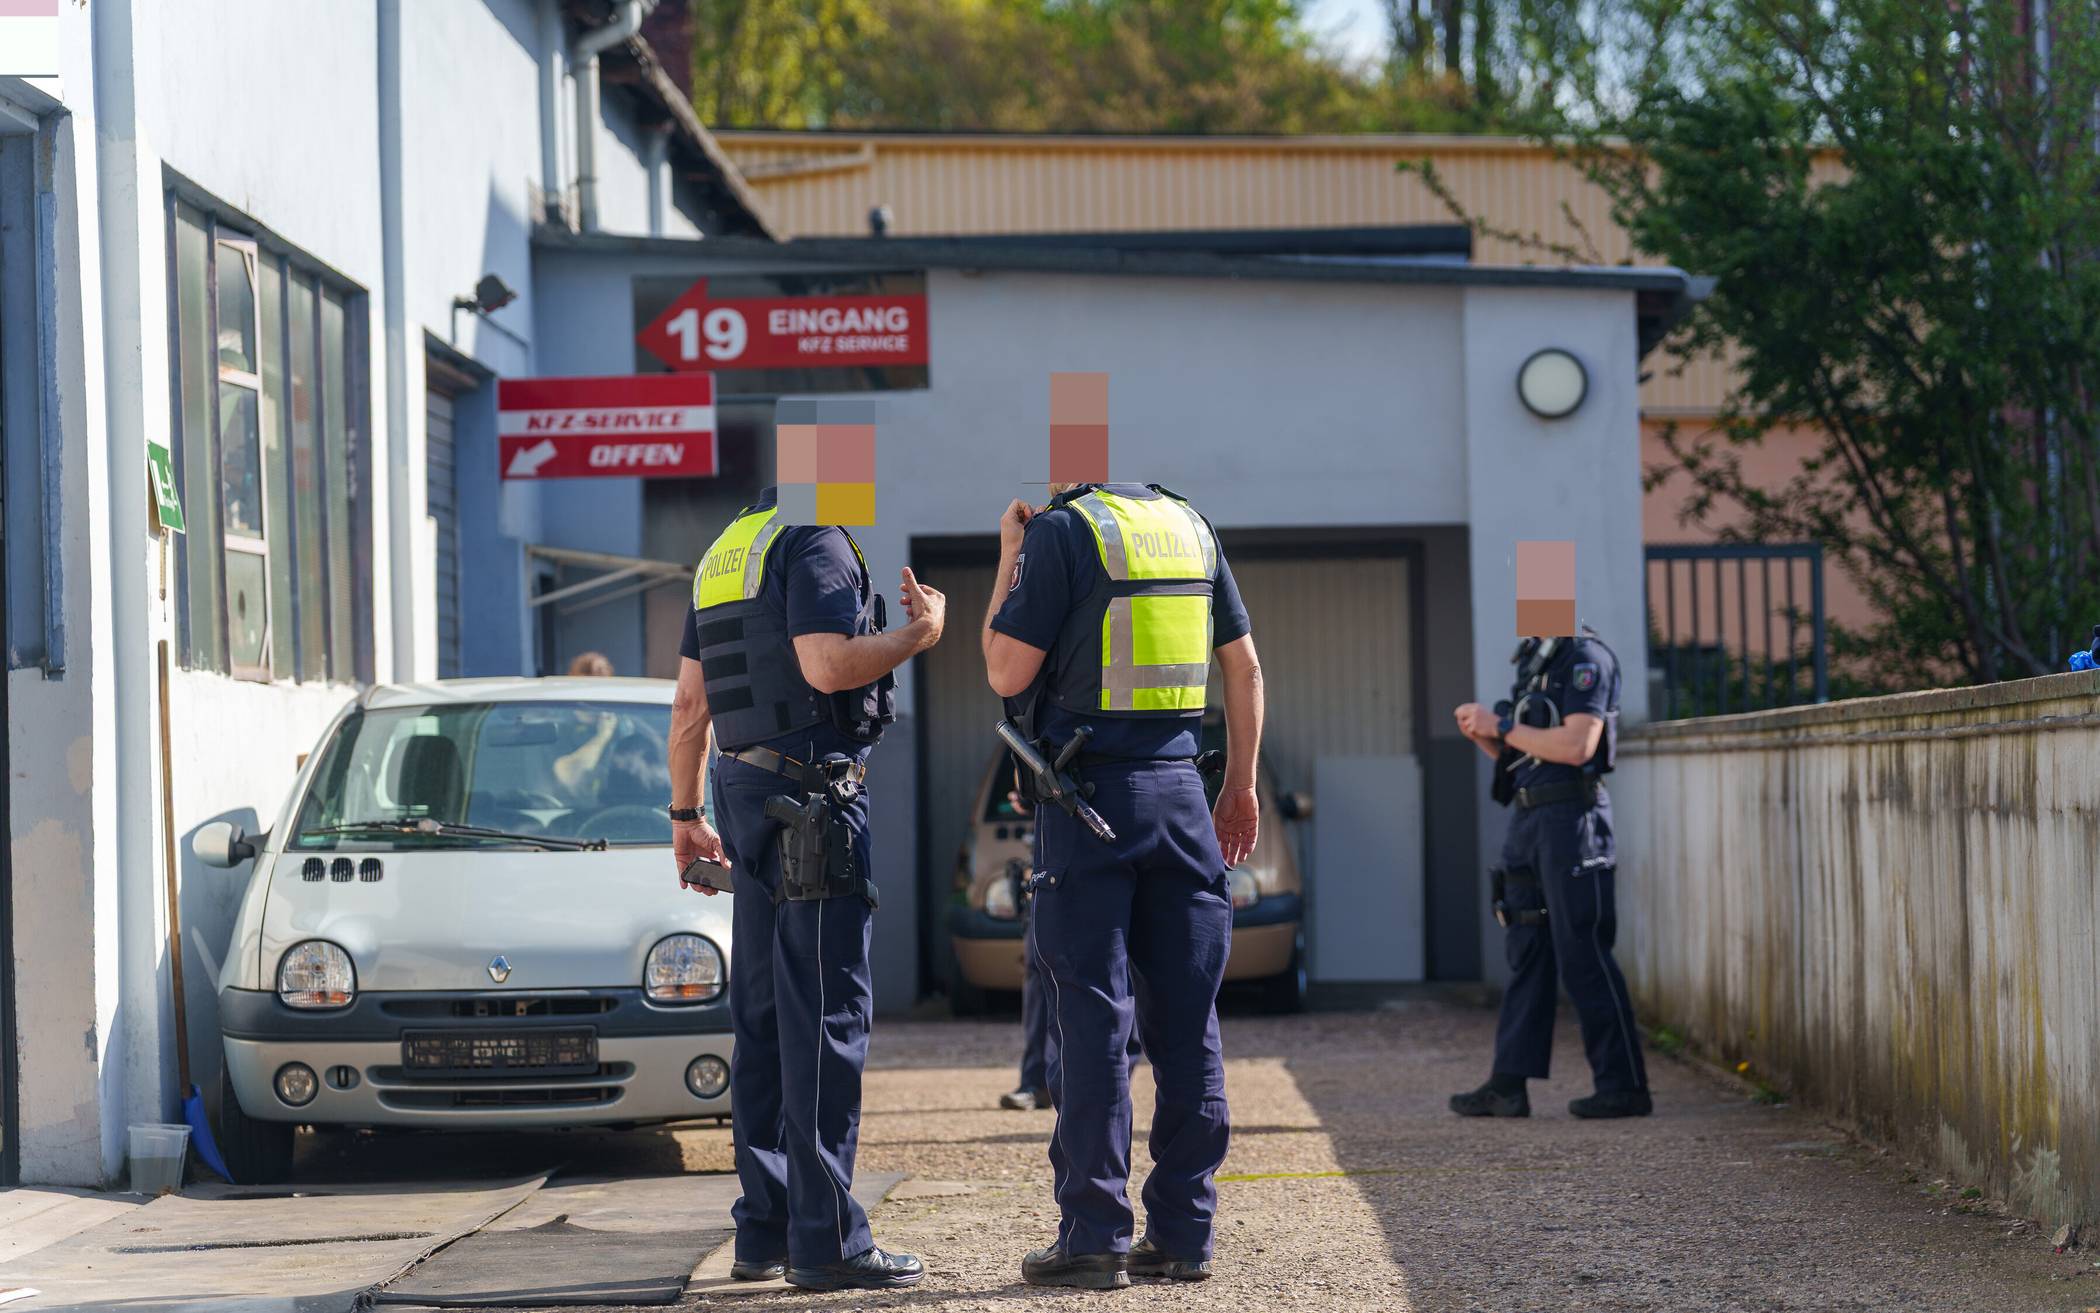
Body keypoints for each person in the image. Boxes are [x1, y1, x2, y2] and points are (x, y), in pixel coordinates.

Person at [982, 481, 1263, 1289]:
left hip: (1089, 800)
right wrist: (1239, 785)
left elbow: (1005, 669)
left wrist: (1008, 555)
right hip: (1181, 795)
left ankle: (1094, 1236)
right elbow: (1244, 668)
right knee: (1189, 1023)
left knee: (1094, 1021)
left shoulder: (1063, 532)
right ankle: (1182, 1235)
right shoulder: (1190, 526)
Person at [666, 486, 946, 1292]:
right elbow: (825, 664)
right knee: (823, 1015)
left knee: (760, 1016)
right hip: (815, 799)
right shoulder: (814, 536)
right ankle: (827, 1243)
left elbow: (690, 704)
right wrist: (920, 632)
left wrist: (684, 813)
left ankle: (765, 1229)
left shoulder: (726, 552)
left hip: (741, 792)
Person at [1449, 624, 1652, 1120]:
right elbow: (1523, 754)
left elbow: (1579, 745)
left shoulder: (1586, 659)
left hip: (1572, 821)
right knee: (1527, 952)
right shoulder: (1534, 659)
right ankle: (1507, 1085)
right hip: (1529, 817)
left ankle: (1623, 1086)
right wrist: (1486, 735)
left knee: (1583, 951)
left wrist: (1499, 725)